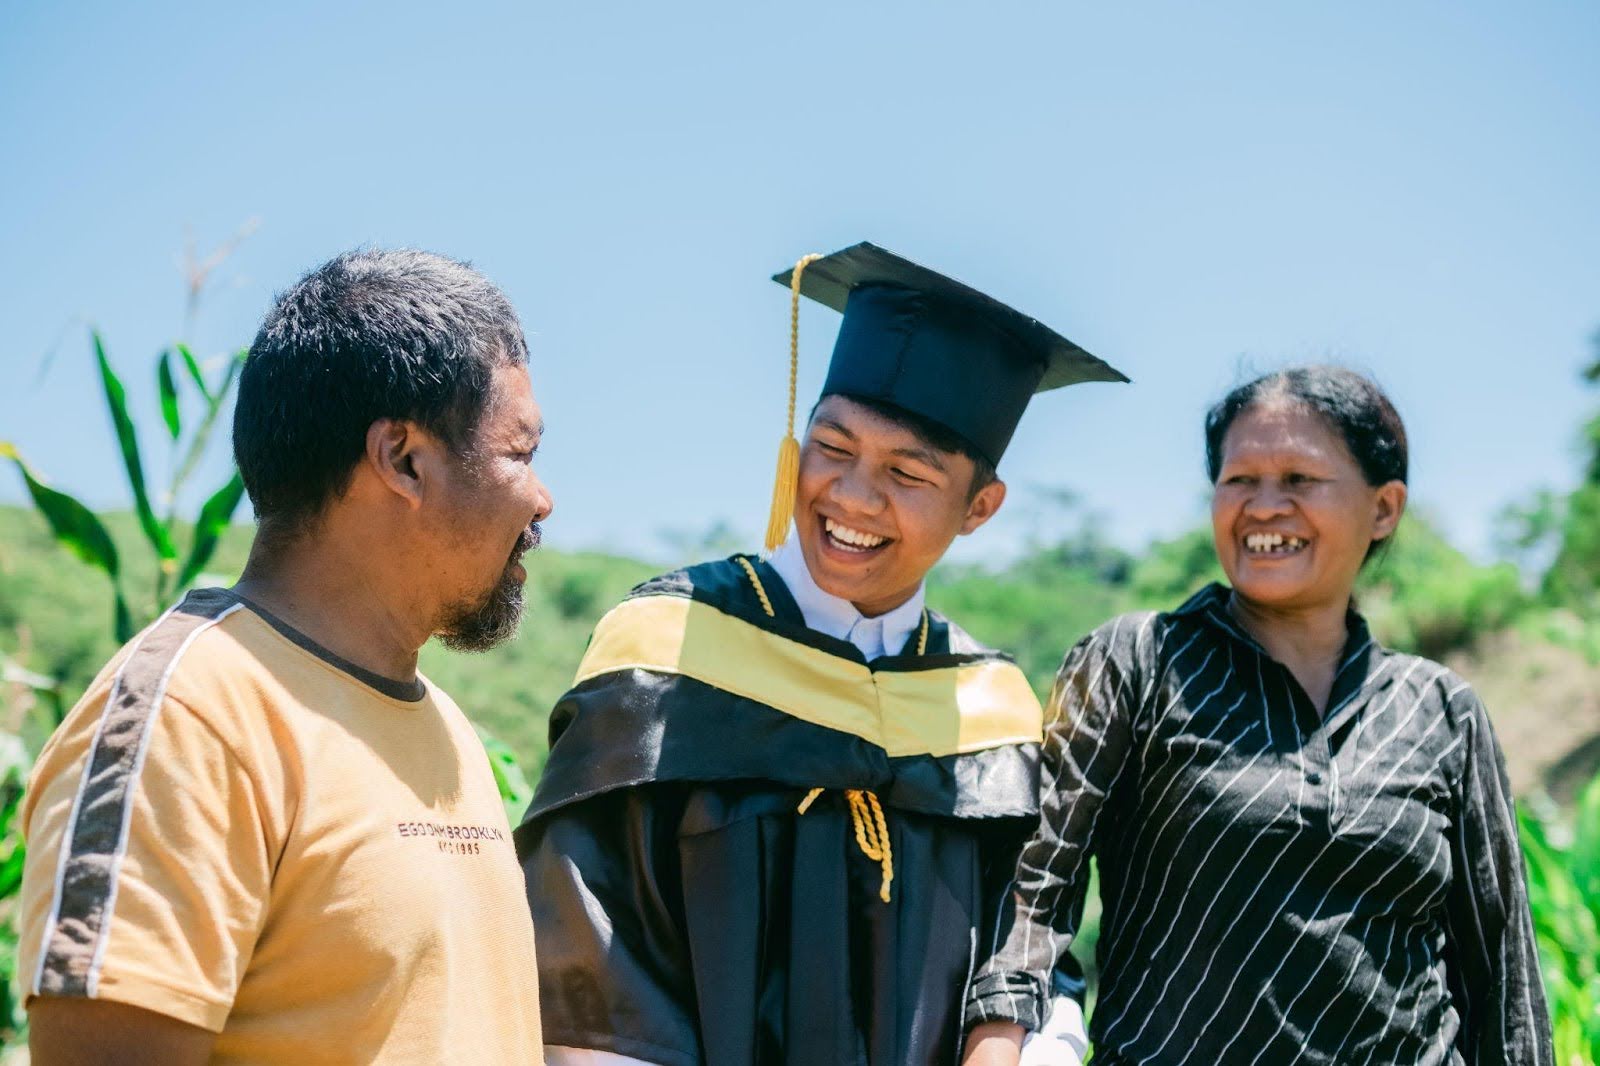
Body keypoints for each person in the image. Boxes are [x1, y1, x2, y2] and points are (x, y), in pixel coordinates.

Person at [518, 242, 1126, 1065]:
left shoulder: (991, 715)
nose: (851, 497)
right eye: (833, 449)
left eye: (908, 474)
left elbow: (1030, 958)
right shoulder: (669, 651)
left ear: (979, 508)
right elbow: (587, 955)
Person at [17, 249, 555, 1064]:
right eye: (521, 454)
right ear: (403, 459)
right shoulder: (189, 718)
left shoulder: (447, 731)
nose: (542, 499)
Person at [963, 366, 1555, 1065]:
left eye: (1300, 480)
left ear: (1384, 508)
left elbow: (1502, 976)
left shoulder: (1442, 711)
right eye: (1239, 480)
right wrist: (996, 1045)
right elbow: (1033, 892)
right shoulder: (1136, 662)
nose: (1265, 506)